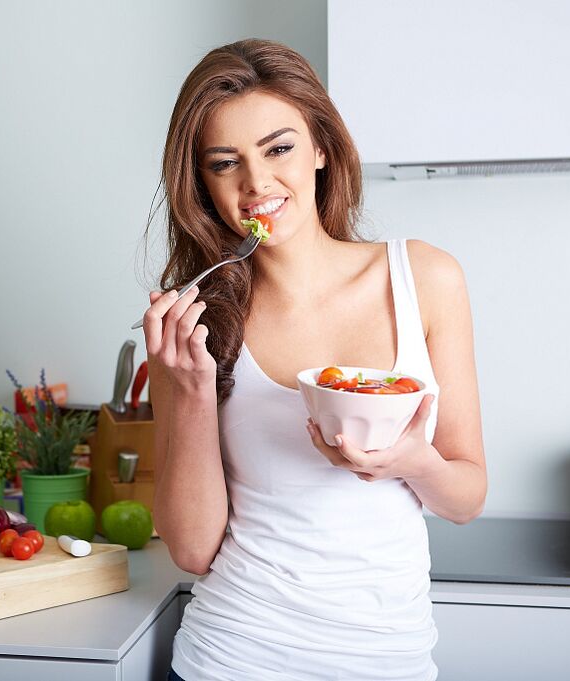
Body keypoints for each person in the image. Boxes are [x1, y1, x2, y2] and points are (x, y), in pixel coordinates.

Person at [139, 39, 486, 681]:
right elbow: (191, 549)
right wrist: (186, 391)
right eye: (224, 163)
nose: (256, 183)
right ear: (202, 184)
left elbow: (466, 498)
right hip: (230, 656)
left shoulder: (426, 279)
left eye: (279, 148)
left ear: (321, 147)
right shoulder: (196, 322)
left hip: (388, 660)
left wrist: (410, 463)